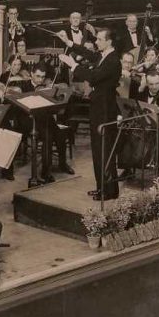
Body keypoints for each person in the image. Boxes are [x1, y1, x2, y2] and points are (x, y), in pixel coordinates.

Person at [58, 27, 121, 200]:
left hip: (106, 111)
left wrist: (73, 65)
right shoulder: (103, 55)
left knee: (104, 150)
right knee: (97, 149)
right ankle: (102, 187)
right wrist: (69, 43)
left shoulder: (113, 60)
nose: (96, 42)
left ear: (109, 41)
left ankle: (109, 191)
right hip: (98, 108)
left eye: (99, 39)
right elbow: (88, 53)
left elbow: (93, 77)